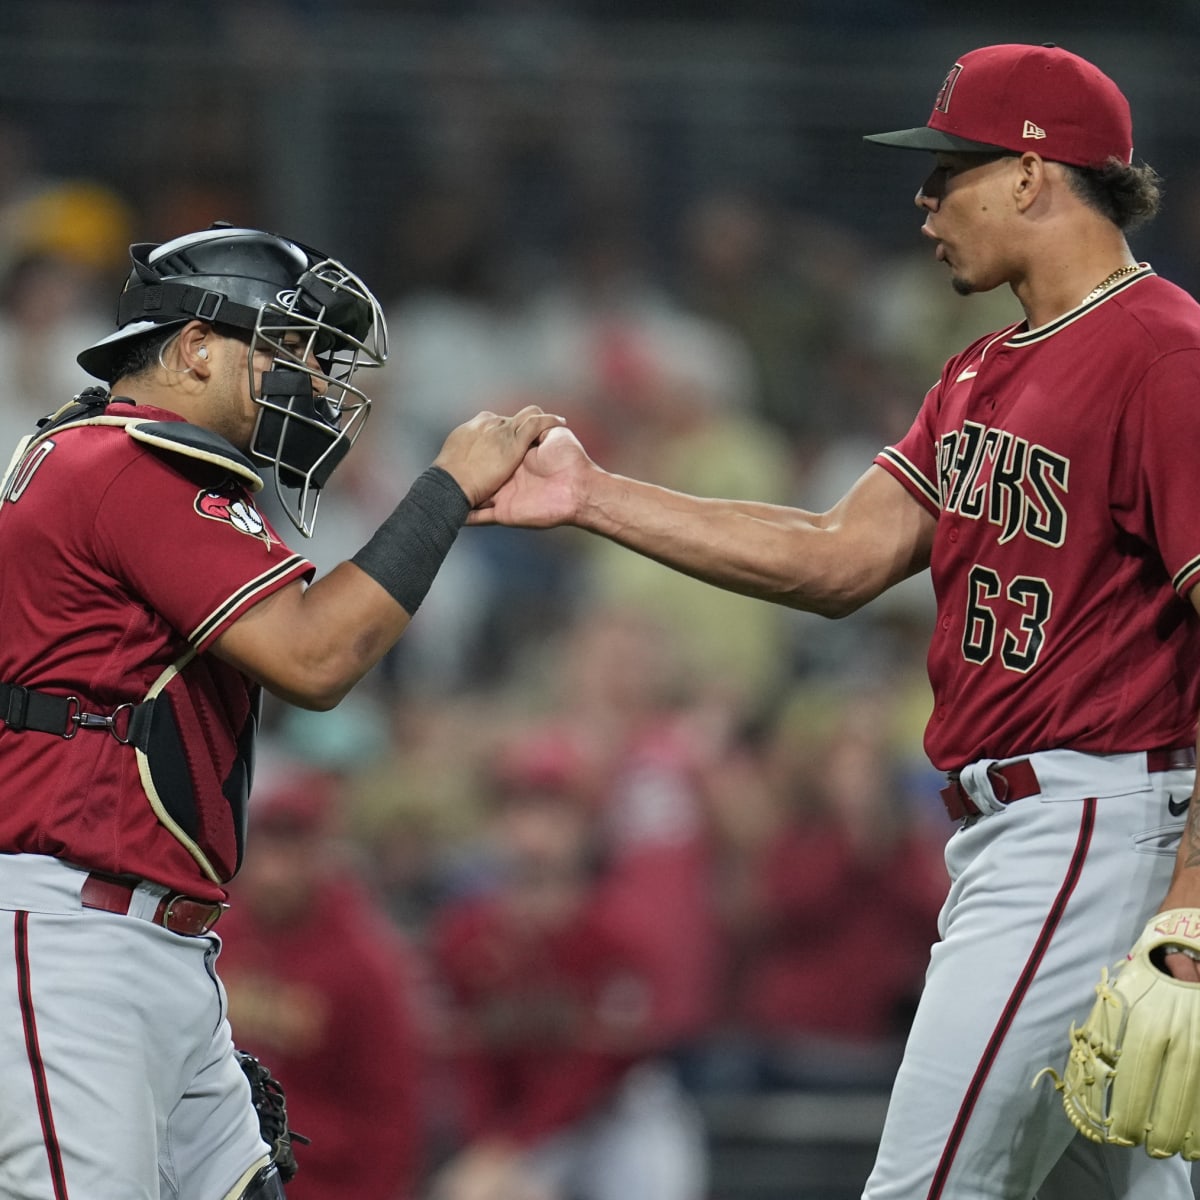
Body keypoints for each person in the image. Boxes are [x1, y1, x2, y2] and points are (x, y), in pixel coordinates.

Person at [474, 43, 1200, 1200]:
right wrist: (597, 496)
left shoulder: (1163, 350)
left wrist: (1191, 901)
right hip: (1029, 833)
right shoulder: (978, 373)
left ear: (1030, 173)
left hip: (1093, 830)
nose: (921, 205)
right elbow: (838, 555)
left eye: (946, 172)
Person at [0, 223, 561, 1199]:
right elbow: (314, 655)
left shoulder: (108, 459)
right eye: (287, 345)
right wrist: (444, 490)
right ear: (193, 347)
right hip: (69, 937)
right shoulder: (124, 463)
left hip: (150, 940)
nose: (307, 376)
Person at [218, 765, 429, 1200]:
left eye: (292, 852)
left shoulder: (365, 961)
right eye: (268, 849)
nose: (276, 871)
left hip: (325, 1182)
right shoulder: (219, 938)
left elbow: (392, 1111)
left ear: (319, 857)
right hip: (222, 1170)